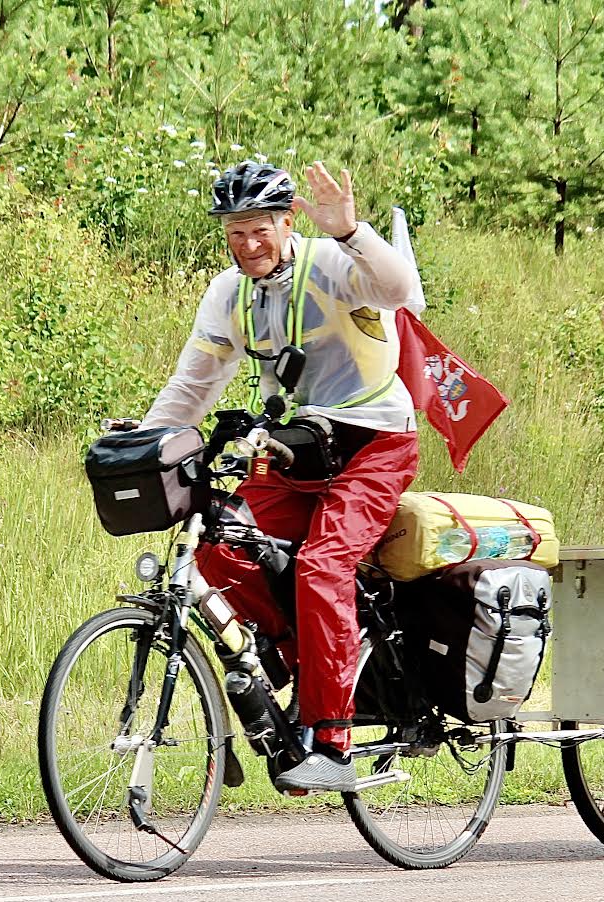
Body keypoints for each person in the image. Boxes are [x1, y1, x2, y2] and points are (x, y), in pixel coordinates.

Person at [140, 160, 421, 792]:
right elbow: (195, 384)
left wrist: (352, 232)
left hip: (374, 443)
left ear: (287, 222)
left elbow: (398, 290)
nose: (247, 244)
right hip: (299, 447)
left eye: (259, 229)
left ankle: (332, 740)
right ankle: (301, 654)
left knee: (324, 567)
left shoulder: (329, 265)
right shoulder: (229, 293)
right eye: (234, 232)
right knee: (217, 539)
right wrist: (147, 437)